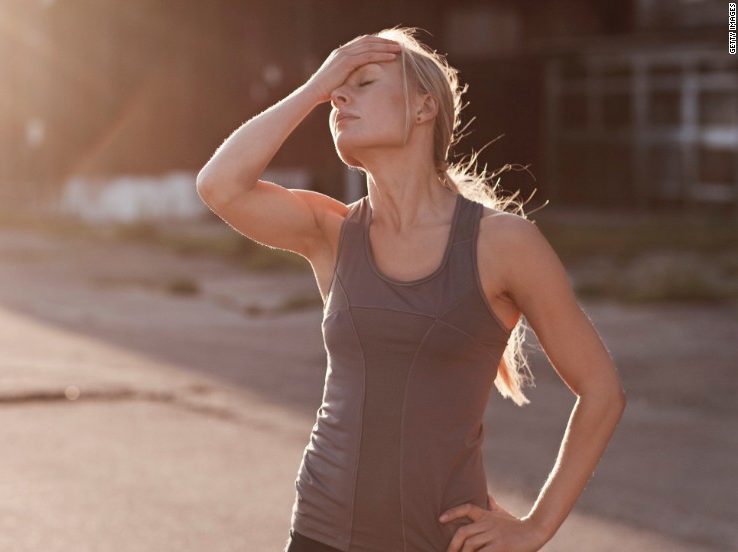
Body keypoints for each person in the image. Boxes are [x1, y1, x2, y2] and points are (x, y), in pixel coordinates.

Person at [196, 26, 626, 552]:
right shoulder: (332, 233)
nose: (339, 96)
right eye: (337, 89)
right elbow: (219, 185)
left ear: (424, 108)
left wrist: (536, 526)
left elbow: (601, 390)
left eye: (364, 82)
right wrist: (314, 85)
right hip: (319, 533)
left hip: (441, 542)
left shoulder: (503, 243)